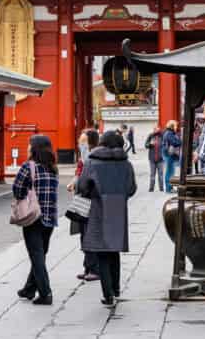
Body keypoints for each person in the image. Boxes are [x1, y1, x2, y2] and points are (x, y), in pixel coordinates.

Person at [76, 130, 137, 308]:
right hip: (118, 208)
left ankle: (108, 294)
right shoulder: (126, 164)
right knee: (114, 250)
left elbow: (82, 186)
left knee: (101, 251)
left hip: (97, 207)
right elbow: (132, 188)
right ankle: (116, 288)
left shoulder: (92, 162)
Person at [12, 135, 59, 305]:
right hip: (50, 217)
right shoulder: (53, 168)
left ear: (34, 148)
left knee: (36, 255)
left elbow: (17, 189)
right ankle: (29, 288)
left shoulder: (28, 166)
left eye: (29, 145)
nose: (27, 148)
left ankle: (45, 293)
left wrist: (24, 196)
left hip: (33, 216)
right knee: (40, 253)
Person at [68, 128, 101, 282]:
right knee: (83, 232)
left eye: (83, 142)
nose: (80, 145)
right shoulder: (83, 158)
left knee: (90, 233)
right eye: (79, 142)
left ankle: (95, 268)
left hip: (92, 200)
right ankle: (88, 266)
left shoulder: (97, 158)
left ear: (92, 143)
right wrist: (74, 182)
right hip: (82, 199)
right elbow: (79, 173)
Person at [162, 120, 181, 192]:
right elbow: (175, 142)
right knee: (170, 172)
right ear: (172, 126)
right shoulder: (169, 133)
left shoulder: (169, 133)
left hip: (168, 154)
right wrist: (181, 141)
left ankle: (170, 187)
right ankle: (169, 188)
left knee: (170, 171)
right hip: (169, 154)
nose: (176, 127)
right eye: (176, 125)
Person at [144, 126, 165, 191]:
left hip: (160, 159)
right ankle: (151, 188)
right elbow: (146, 145)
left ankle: (161, 188)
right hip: (152, 158)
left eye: (157, 129)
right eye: (155, 129)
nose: (156, 130)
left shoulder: (162, 136)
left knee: (160, 175)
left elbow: (165, 145)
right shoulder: (150, 136)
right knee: (152, 174)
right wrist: (150, 144)